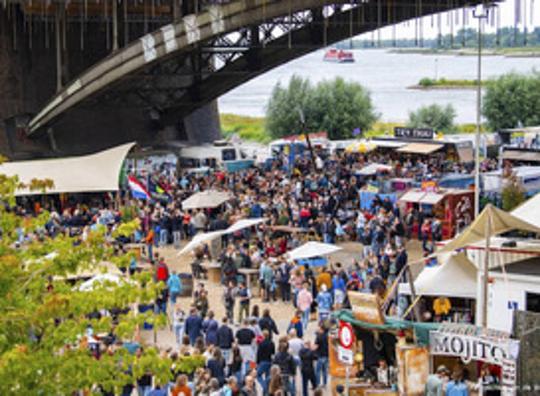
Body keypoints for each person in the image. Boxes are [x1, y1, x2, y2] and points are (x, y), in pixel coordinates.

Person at [256, 330, 275, 394]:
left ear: (263, 336)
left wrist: (257, 362)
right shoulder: (272, 343)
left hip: (263, 361)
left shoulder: (261, 343)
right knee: (267, 377)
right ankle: (266, 392)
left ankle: (264, 387)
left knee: (258, 375)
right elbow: (273, 353)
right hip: (269, 361)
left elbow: (258, 353)